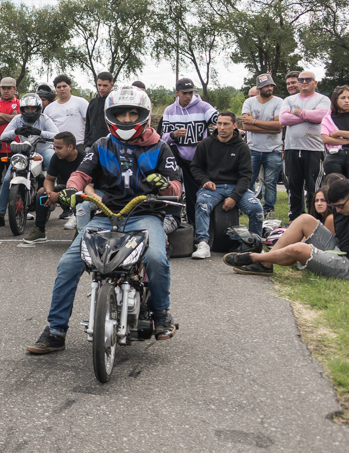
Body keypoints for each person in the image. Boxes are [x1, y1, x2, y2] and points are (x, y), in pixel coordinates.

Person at [27, 86, 181, 354]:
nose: (126, 119)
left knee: (156, 258)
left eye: (133, 113)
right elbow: (81, 174)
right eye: (120, 114)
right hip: (106, 215)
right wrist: (72, 189)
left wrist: (165, 186)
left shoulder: (160, 146)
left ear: (144, 115)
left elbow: (177, 187)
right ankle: (55, 331)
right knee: (67, 264)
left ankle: (161, 313)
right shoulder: (101, 145)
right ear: (111, 116)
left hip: (145, 214)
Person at [224, 176, 349, 280]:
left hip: (346, 263)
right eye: (334, 207)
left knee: (298, 249)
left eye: (340, 206)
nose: (337, 210)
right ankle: (265, 263)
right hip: (338, 249)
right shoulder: (339, 209)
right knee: (305, 219)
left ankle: (254, 257)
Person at [190, 111, 263, 259]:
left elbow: (246, 176)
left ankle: (254, 245)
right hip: (212, 187)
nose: (222, 127)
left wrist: (235, 197)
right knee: (202, 203)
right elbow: (195, 167)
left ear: (235, 125)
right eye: (219, 123)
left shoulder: (242, 147)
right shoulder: (205, 144)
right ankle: (203, 243)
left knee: (257, 209)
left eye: (226, 124)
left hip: (236, 187)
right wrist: (204, 181)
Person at [160, 77, 218, 229]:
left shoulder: (204, 107)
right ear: (177, 93)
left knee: (198, 193)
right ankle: (180, 221)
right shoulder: (169, 110)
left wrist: (208, 141)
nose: (188, 96)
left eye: (190, 93)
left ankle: (201, 226)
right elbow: (162, 137)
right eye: (184, 93)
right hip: (179, 156)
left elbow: (219, 121)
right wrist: (173, 135)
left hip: (199, 158)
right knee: (174, 190)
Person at [0, 92, 58, 228]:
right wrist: (16, 131)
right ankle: (0, 214)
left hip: (43, 150)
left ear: (38, 108)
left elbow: (57, 135)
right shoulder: (17, 119)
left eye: (33, 108)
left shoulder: (45, 119)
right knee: (7, 179)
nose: (30, 111)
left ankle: (52, 196)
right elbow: (3, 136)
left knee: (52, 163)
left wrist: (40, 133)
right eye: (27, 108)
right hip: (24, 151)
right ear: (22, 109)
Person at [280, 70, 330, 220]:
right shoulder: (289, 100)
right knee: (293, 187)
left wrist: (296, 112)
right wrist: (308, 116)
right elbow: (283, 119)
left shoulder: (322, 99)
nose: (304, 82)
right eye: (301, 80)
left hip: (314, 149)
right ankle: (295, 219)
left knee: (314, 188)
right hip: (291, 149)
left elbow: (320, 116)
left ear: (315, 82)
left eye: (308, 79)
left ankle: (315, 219)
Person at [241, 73, 284, 215]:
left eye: (271, 85)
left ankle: (268, 209)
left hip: (273, 149)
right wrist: (269, 126)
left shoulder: (279, 102)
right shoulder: (249, 102)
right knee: (249, 181)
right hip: (253, 148)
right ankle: (249, 207)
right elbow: (245, 126)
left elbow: (278, 126)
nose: (269, 88)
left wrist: (254, 121)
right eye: (266, 86)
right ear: (259, 88)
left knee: (270, 182)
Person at [31, 131, 85, 240]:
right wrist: (50, 193)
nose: (56, 151)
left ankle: (80, 232)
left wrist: (58, 195)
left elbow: (84, 186)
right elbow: (49, 179)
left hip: (83, 191)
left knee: (77, 198)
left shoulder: (84, 159)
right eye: (55, 147)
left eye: (59, 148)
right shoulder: (56, 157)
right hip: (66, 188)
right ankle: (39, 231)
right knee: (41, 192)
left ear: (70, 147)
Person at [0, 77, 21, 227]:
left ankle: (12, 212)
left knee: (14, 181)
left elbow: (20, 120)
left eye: (9, 88)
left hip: (15, 148)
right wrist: (12, 117)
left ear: (14, 89)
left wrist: (0, 115)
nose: (6, 91)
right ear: (0, 89)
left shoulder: (20, 103)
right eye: (3, 88)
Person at [44, 75, 89, 149]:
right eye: (59, 87)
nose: (62, 89)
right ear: (55, 89)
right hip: (58, 147)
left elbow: (89, 123)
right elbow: (46, 130)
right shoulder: (49, 108)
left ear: (70, 87)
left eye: (64, 86)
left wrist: (88, 144)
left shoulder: (80, 102)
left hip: (79, 145)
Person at [321, 85, 349, 178]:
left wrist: (338, 133)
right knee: (335, 184)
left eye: (348, 98)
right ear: (335, 100)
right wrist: (346, 141)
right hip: (334, 156)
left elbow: (331, 137)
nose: (346, 101)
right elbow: (325, 139)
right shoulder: (328, 117)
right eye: (343, 98)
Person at [84, 72, 115, 145]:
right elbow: (88, 125)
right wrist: (86, 144)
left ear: (111, 85)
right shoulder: (93, 102)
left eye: (105, 85)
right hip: (91, 144)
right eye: (99, 85)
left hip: (110, 144)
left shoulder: (114, 103)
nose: (101, 88)